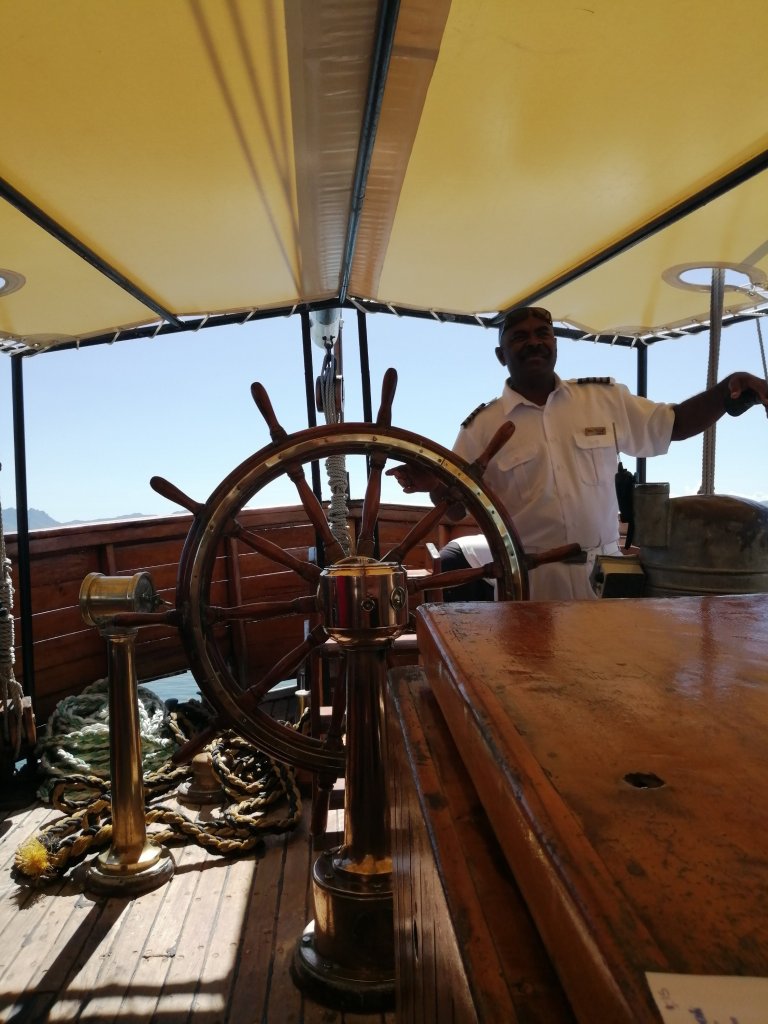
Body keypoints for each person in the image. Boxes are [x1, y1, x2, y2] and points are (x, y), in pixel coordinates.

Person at [387, 306, 768, 600]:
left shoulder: (603, 399)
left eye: (543, 334)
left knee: (611, 671)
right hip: (532, 578)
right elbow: (455, 508)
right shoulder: (480, 428)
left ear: (555, 343)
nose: (534, 342)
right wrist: (434, 483)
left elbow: (674, 424)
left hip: (607, 574)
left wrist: (726, 393)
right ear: (501, 354)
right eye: (519, 337)